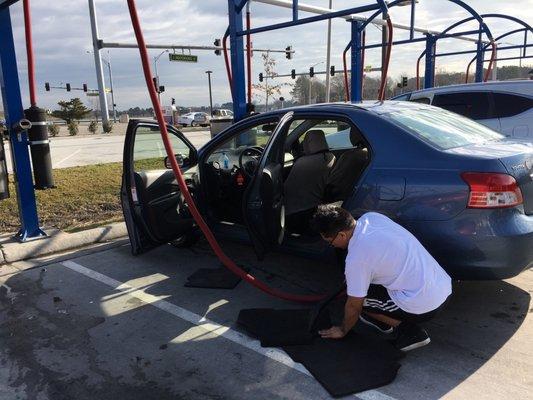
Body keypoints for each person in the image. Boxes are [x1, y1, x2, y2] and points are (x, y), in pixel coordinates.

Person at [310, 205, 452, 351]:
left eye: (330, 241)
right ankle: (385, 321)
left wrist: (342, 330)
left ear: (341, 235)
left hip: (426, 304)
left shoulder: (357, 258)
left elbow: (354, 305)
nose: (331, 245)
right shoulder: (372, 217)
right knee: (359, 287)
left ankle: (410, 332)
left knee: (359, 301)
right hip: (443, 285)